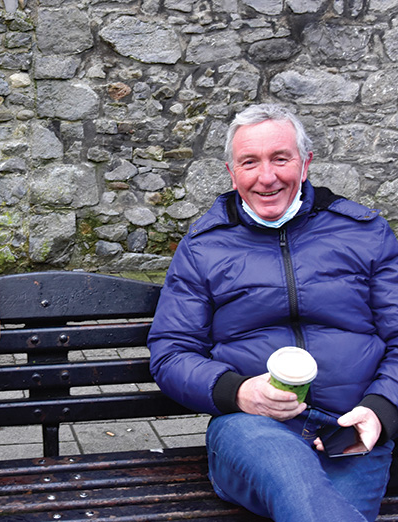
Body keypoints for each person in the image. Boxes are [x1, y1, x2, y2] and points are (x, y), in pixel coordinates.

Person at [148, 104, 398, 521]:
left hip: (351, 428)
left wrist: (381, 409)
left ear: (305, 163)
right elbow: (171, 353)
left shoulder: (365, 233)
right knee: (298, 483)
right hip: (249, 428)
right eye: (250, 162)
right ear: (232, 173)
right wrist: (237, 392)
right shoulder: (203, 247)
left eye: (280, 158)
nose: (266, 177)